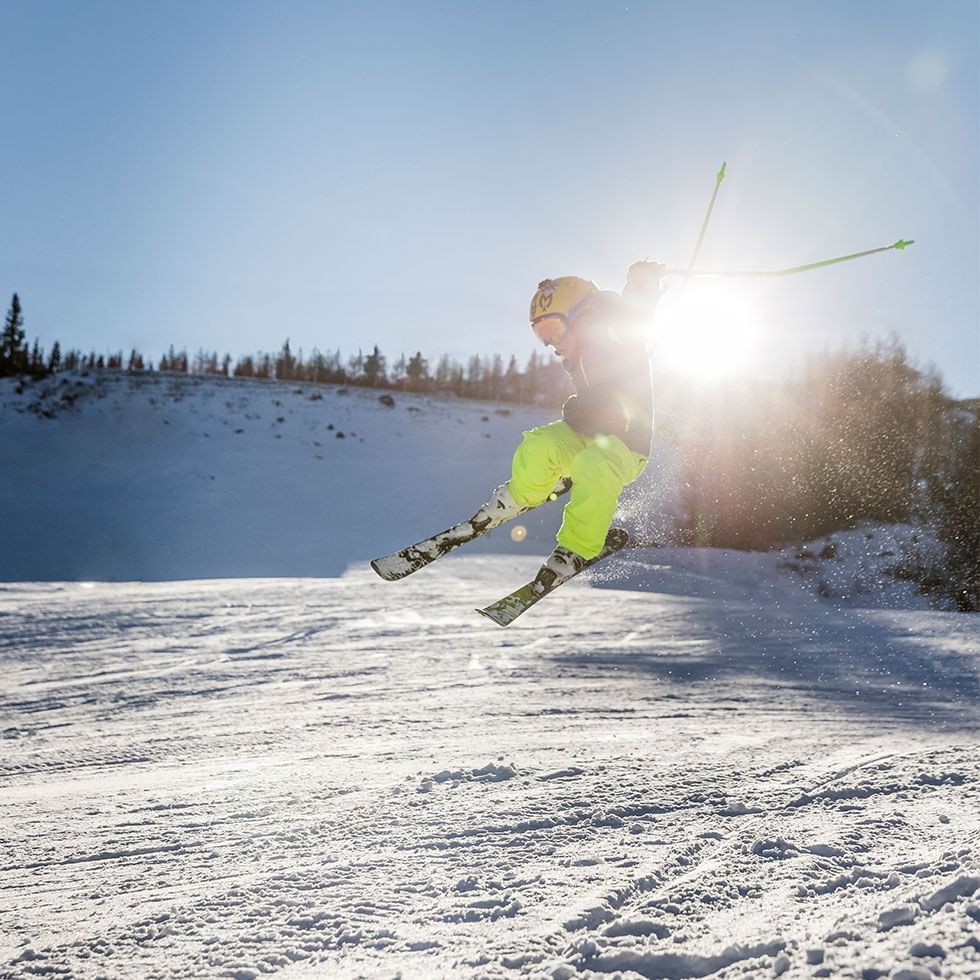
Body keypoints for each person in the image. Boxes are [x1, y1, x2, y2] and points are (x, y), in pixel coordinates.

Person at [476, 261, 667, 583]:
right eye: (541, 335)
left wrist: (642, 285)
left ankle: (577, 547)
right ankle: (520, 495)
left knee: (593, 465)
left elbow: (636, 316)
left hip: (625, 446)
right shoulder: (574, 357)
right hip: (588, 436)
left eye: (553, 329)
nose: (550, 342)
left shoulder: (612, 335)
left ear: (585, 315)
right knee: (538, 444)